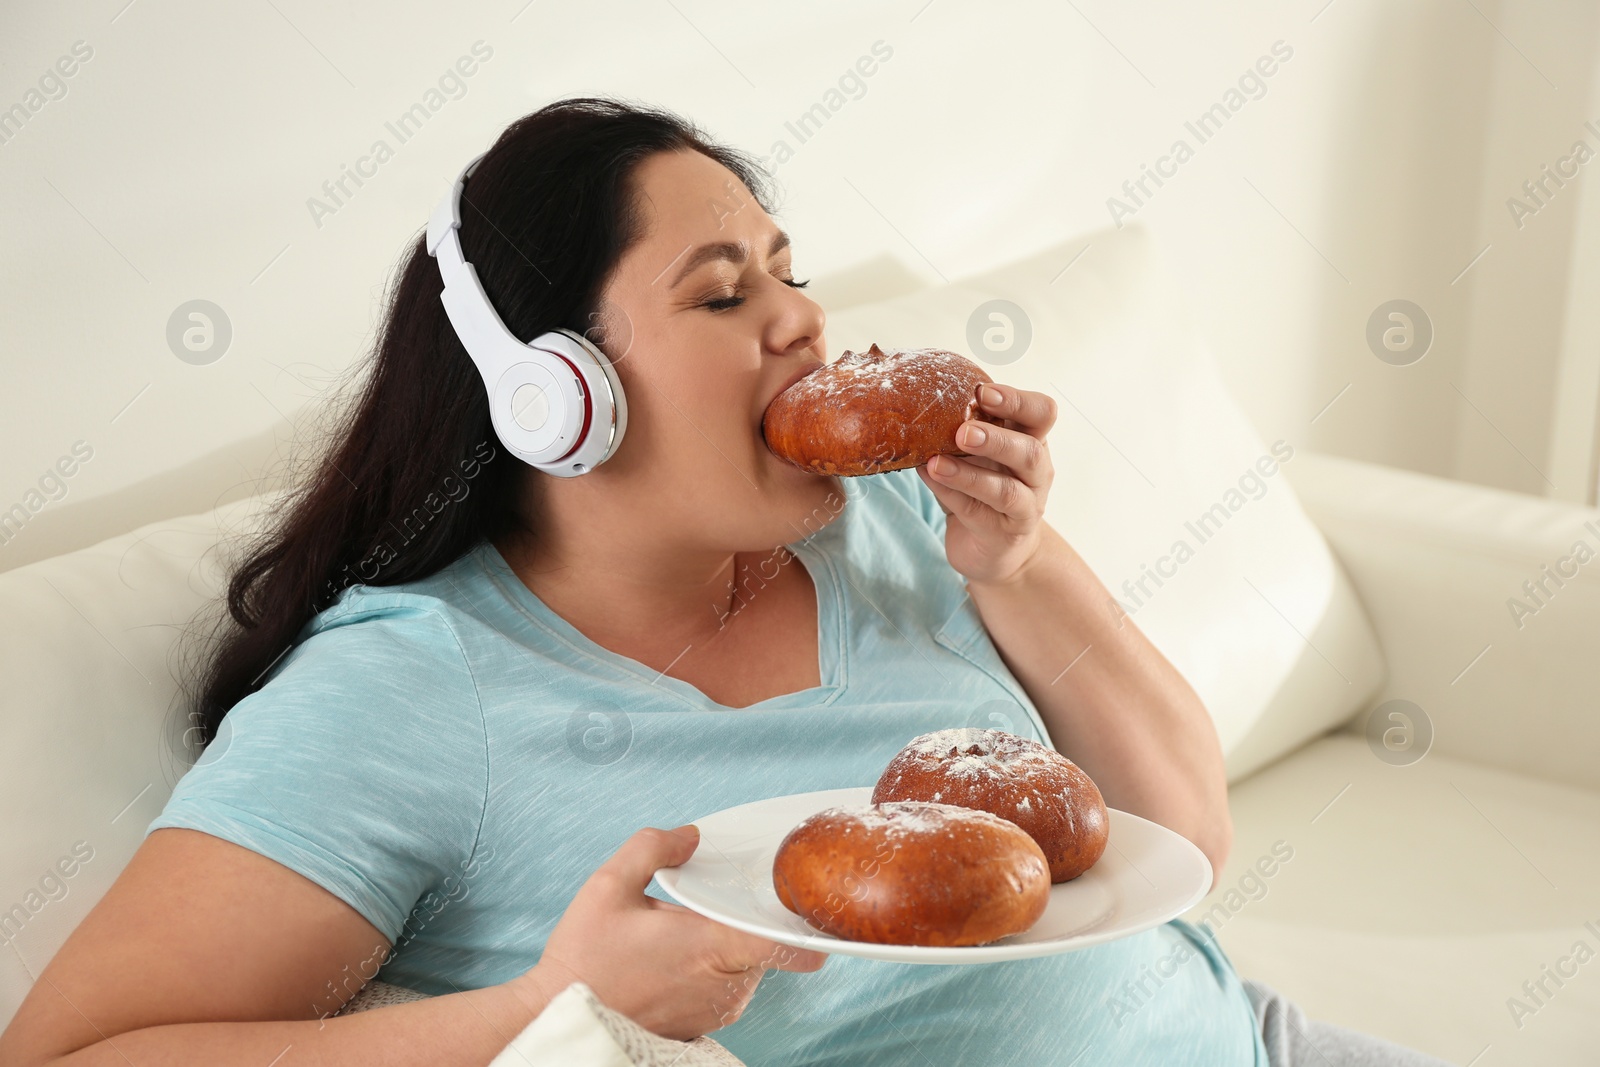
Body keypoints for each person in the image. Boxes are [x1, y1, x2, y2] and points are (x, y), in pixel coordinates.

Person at [0, 97, 1449, 1067]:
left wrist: (1017, 563)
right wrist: (535, 1010)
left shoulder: (885, 525)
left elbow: (1183, 833)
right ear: (554, 395)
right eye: (721, 292)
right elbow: (72, 1058)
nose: (803, 319)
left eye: (787, 271)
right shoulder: (407, 685)